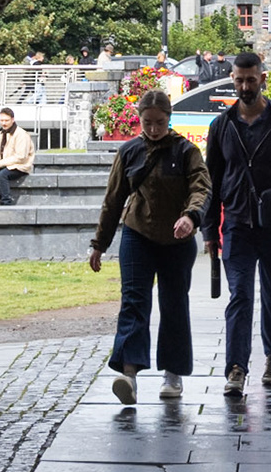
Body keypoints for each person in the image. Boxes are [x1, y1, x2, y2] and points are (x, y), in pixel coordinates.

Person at [90, 90, 210, 404]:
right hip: (136, 234)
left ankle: (173, 374)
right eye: (147, 123)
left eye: (159, 122)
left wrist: (190, 217)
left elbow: (201, 187)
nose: (154, 129)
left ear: (169, 119)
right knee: (133, 301)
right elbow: (113, 200)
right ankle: (128, 375)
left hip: (178, 238)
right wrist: (99, 245)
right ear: (139, 120)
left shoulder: (187, 151)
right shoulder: (129, 151)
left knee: (173, 304)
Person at [203, 52, 271, 395]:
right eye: (239, 80)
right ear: (232, 80)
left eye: (251, 79)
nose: (245, 86)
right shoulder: (222, 126)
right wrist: (209, 231)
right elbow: (212, 182)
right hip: (236, 222)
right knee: (239, 297)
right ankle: (236, 368)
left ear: (263, 79)